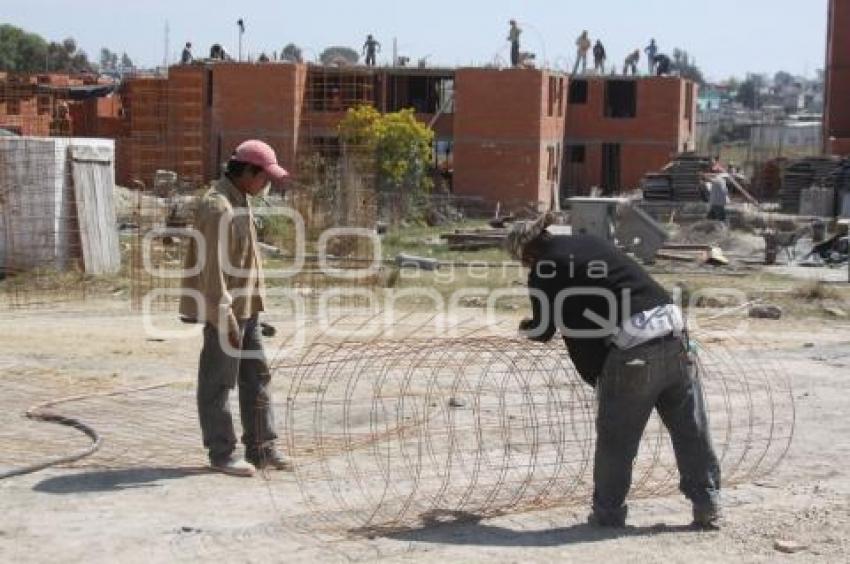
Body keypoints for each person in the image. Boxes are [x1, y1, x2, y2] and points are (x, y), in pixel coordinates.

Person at [507, 213, 722, 529]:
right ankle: (708, 506)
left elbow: (542, 329)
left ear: (527, 252)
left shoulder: (544, 269)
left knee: (617, 439)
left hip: (634, 347)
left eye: (522, 261)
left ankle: (608, 515)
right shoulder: (590, 241)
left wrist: (523, 328)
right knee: (691, 428)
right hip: (675, 331)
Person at [180, 140, 291, 477]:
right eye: (264, 177)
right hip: (226, 312)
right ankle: (222, 452)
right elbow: (212, 271)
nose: (267, 184)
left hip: (248, 309)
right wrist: (225, 317)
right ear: (248, 172)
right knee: (218, 382)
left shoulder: (239, 199)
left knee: (256, 377)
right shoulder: (218, 208)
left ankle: (261, 447)